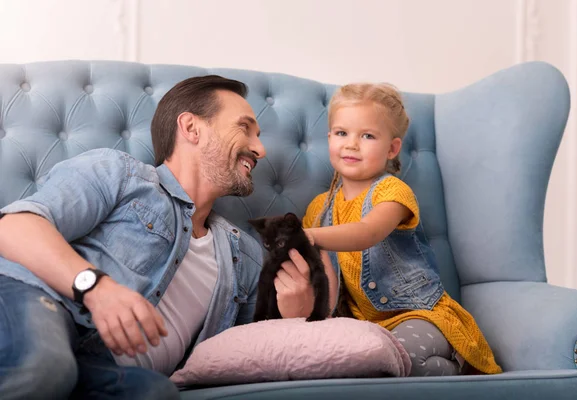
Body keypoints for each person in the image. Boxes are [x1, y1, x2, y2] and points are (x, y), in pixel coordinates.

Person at [0, 75, 331, 399]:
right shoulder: (122, 174)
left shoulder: (245, 256)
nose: (260, 149)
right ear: (190, 128)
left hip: (100, 367)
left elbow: (245, 355)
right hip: (36, 300)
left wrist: (293, 321)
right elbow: (13, 226)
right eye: (244, 128)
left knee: (155, 392)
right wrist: (95, 288)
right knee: (44, 368)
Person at [302, 82, 502, 376]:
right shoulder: (319, 210)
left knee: (400, 357)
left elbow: (367, 232)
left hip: (420, 315)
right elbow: (327, 281)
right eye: (342, 133)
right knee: (363, 362)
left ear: (392, 148)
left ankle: (461, 370)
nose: (351, 144)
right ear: (329, 137)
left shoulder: (392, 192)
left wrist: (310, 237)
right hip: (365, 327)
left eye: (367, 135)